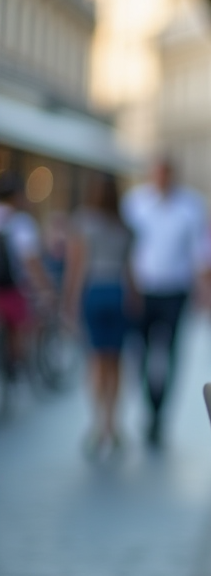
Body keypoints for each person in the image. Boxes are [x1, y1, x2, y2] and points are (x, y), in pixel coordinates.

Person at [121, 158, 211, 448]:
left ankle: (160, 412)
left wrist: (207, 291)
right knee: (142, 351)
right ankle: (149, 403)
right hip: (143, 289)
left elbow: (204, 251)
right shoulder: (135, 204)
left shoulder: (191, 205)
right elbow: (125, 249)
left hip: (176, 290)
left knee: (172, 352)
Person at [62, 173, 135, 455]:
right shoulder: (123, 227)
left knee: (95, 361)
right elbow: (130, 271)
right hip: (118, 293)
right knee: (115, 361)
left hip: (94, 292)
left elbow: (76, 268)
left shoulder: (83, 223)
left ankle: (96, 422)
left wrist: (70, 302)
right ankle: (112, 422)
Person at [0, 171, 55, 378]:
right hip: (12, 288)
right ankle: (15, 371)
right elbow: (31, 261)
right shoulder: (20, 222)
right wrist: (46, 289)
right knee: (22, 329)